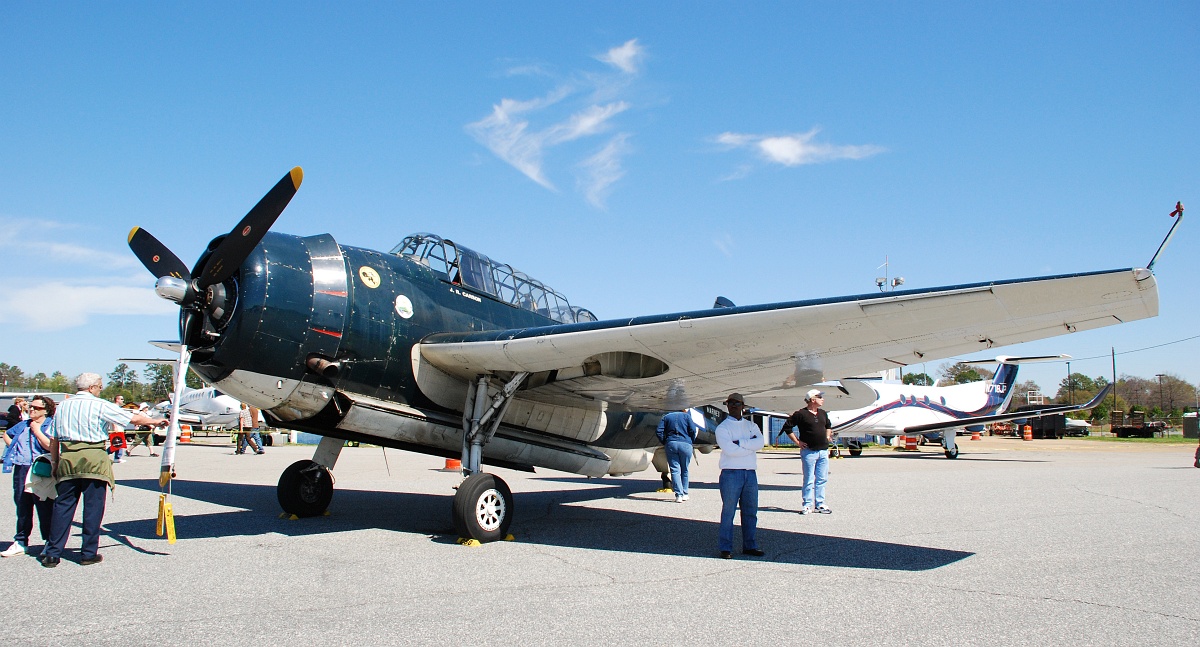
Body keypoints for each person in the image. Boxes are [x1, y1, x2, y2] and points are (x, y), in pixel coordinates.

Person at [38, 373, 168, 568]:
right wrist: (156, 421)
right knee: (93, 507)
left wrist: (55, 462)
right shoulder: (99, 404)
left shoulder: (63, 406)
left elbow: (54, 438)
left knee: (63, 506)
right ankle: (88, 553)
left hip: (68, 458)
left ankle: (52, 553)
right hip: (93, 457)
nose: (101, 389)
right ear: (91, 388)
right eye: (99, 386)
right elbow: (132, 418)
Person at [1, 396, 56, 558]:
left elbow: (50, 446)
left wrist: (37, 431)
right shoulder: (23, 424)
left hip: (40, 469)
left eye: (36, 408)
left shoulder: (50, 424)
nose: (32, 409)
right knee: (22, 505)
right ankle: (21, 541)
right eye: (31, 406)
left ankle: (49, 541)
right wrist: (13, 446)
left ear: (46, 410)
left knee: (44, 506)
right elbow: (7, 434)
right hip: (21, 467)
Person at [715, 393, 765, 559]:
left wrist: (741, 443)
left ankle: (750, 545)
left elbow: (760, 442)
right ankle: (725, 548)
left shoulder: (751, 425)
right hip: (731, 472)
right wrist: (749, 446)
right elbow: (730, 450)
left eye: (737, 403)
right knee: (728, 511)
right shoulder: (722, 428)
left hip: (750, 473)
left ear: (743, 406)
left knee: (750, 511)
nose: (733, 406)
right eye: (730, 403)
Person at [782, 389, 833, 515]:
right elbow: (787, 427)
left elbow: (828, 426)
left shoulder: (822, 413)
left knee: (822, 479)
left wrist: (827, 436)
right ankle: (807, 505)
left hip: (823, 451)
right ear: (812, 399)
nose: (822, 399)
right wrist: (797, 442)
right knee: (809, 479)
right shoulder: (801, 414)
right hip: (809, 452)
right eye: (820, 397)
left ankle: (820, 504)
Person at [656, 409, 700, 503]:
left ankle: (678, 495)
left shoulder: (666, 417)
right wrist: (690, 440)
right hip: (685, 444)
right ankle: (685, 493)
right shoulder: (687, 416)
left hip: (671, 443)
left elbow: (659, 431)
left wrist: (665, 441)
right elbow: (693, 429)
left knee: (675, 470)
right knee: (685, 469)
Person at [108, 395, 127, 464]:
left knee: (118, 443)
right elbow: (112, 418)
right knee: (117, 444)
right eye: (121, 399)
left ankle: (117, 457)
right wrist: (115, 426)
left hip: (120, 427)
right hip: (116, 428)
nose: (123, 400)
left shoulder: (119, 408)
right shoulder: (114, 407)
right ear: (117, 400)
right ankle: (105, 453)